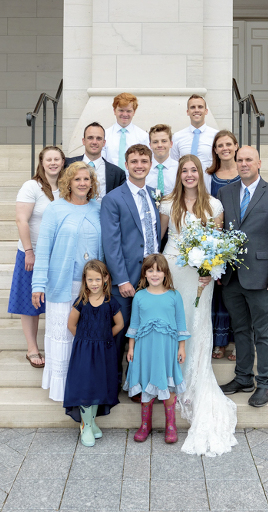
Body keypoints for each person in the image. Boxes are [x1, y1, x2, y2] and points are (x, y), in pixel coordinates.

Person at [159, 154, 238, 457]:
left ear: (200, 175)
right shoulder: (168, 204)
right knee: (174, 321)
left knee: (196, 321)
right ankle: (171, 374)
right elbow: (161, 236)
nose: (189, 175)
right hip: (172, 269)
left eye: (193, 170)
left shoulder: (214, 206)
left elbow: (217, 243)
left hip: (200, 277)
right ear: (178, 175)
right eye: (184, 171)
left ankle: (193, 377)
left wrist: (209, 270)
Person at [217, 146, 268, 408]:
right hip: (231, 277)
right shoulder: (225, 193)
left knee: (263, 331)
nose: (244, 164)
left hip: (262, 277)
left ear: (259, 162)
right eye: (240, 160)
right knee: (240, 330)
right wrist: (216, 268)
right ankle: (242, 378)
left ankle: (265, 384)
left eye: (249, 159)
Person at [32, 162, 102, 402]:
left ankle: (84, 387)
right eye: (77, 179)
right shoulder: (55, 209)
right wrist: (38, 284)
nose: (83, 183)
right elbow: (43, 249)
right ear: (68, 183)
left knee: (87, 338)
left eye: (86, 179)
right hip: (63, 284)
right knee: (64, 335)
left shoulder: (97, 208)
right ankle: (62, 391)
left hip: (92, 288)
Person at [100, 144, 161, 385]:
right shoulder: (113, 199)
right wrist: (122, 279)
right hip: (125, 280)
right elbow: (111, 243)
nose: (139, 165)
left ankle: (140, 382)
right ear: (126, 165)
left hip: (153, 278)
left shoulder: (154, 194)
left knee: (146, 334)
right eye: (134, 161)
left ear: (150, 164)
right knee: (119, 334)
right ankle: (112, 384)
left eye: (144, 161)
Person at [8, 146, 64, 369]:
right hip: (32, 254)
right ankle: (32, 348)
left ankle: (54, 345)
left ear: (62, 162)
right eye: (48, 159)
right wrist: (29, 251)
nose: (53, 163)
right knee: (29, 302)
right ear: (41, 163)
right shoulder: (31, 187)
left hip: (58, 255)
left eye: (57, 159)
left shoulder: (66, 186)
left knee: (55, 301)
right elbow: (22, 220)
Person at [124, 254, 188, 443]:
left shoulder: (174, 295)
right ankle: (145, 424)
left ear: (165, 273)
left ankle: (171, 425)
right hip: (145, 348)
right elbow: (134, 324)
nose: (154, 274)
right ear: (144, 273)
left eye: (158, 270)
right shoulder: (140, 296)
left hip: (167, 348)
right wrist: (131, 348)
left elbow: (180, 322)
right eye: (150, 270)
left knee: (168, 383)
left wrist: (181, 347)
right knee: (146, 382)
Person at [64, 259, 124, 447]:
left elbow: (120, 324)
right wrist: (85, 339)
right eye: (90, 280)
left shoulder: (110, 302)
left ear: (105, 279)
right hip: (84, 351)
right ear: (85, 280)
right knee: (86, 387)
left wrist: (104, 337)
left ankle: (92, 423)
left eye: (98, 279)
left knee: (98, 386)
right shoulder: (81, 301)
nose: (94, 283)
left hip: (103, 351)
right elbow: (71, 325)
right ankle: (86, 427)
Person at [205, 131, 241, 361]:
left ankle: (238, 342)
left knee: (237, 292)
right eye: (220, 145)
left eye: (229, 144)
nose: (225, 148)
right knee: (219, 291)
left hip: (240, 239)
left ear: (236, 146)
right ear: (215, 150)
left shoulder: (245, 172)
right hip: (217, 237)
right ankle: (219, 342)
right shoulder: (210, 176)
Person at [65, 122, 126, 201]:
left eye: (99, 138)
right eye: (90, 138)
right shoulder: (67, 165)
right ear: (83, 141)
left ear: (104, 143)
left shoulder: (117, 173)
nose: (94, 142)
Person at [171, 94, 219, 174]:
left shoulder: (216, 136)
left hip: (208, 183)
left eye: (200, 107)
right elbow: (174, 164)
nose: (196, 110)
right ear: (188, 112)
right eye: (192, 107)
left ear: (206, 111)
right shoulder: (177, 137)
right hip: (185, 183)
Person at [102, 92, 150, 172]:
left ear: (134, 112)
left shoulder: (143, 136)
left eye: (128, 111)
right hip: (111, 180)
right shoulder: (105, 135)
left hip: (134, 180)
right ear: (114, 111)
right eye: (121, 110)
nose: (125, 114)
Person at [146, 124, 177, 197]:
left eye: (164, 141)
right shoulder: (144, 169)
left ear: (171, 144)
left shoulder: (179, 168)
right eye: (155, 142)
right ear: (150, 145)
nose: (160, 145)